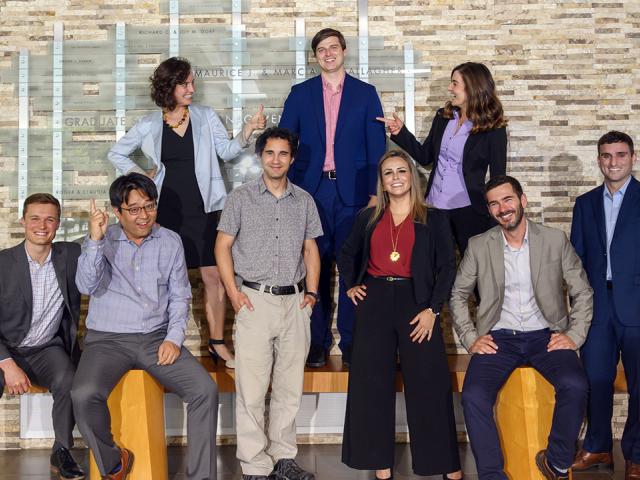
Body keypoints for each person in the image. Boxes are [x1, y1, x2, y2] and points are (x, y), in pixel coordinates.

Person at [108, 56, 266, 368]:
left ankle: (218, 344)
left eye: (192, 82)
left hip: (205, 209)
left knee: (215, 278)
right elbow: (116, 152)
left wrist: (247, 130)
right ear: (170, 87)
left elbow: (227, 152)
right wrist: (142, 176)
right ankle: (161, 341)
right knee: (163, 280)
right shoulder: (150, 125)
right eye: (186, 83)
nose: (192, 88)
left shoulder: (205, 117)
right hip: (165, 212)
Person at [72, 173, 219, 480]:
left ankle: (202, 477)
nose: (144, 216)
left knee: (204, 390)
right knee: (84, 394)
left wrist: (174, 338)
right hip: (107, 340)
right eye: (134, 209)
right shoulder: (103, 239)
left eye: (149, 207)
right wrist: (96, 241)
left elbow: (180, 296)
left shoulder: (170, 241)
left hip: (154, 339)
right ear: (117, 211)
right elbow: (86, 285)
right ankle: (113, 461)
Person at [449, 175, 593, 480]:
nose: (503, 208)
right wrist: (471, 337)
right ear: (489, 210)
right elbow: (458, 295)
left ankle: (555, 461)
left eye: (508, 199)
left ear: (522, 200)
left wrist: (573, 335)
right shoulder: (479, 246)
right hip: (499, 338)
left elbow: (583, 292)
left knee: (576, 385)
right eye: (494, 203)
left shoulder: (554, 240)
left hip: (546, 336)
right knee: (473, 396)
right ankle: (491, 475)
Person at [338, 150, 462, 480]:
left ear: (412, 177)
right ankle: (381, 463)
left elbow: (447, 267)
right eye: (388, 172)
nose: (395, 177)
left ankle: (446, 464)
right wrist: (351, 285)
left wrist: (433, 310)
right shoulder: (368, 218)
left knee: (429, 383)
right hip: (375, 300)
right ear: (382, 181)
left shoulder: (433, 219)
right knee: (371, 384)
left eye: (401, 171)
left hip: (416, 302)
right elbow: (347, 253)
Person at [215, 127, 322, 480]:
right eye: (270, 153)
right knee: (252, 387)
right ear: (261, 157)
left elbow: (310, 249)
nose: (276, 160)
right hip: (255, 301)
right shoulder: (241, 198)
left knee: (290, 387)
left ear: (292, 158)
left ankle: (283, 458)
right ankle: (255, 465)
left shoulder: (304, 200)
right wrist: (233, 292)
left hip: (294, 303)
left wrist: (312, 294)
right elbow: (222, 246)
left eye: (283, 154)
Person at [279, 28, 386, 368]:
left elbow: (376, 148)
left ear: (344, 50)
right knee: (314, 266)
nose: (328, 53)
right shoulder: (300, 94)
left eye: (333, 48)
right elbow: (285, 143)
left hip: (355, 194)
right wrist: (287, 190)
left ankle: (352, 341)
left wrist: (374, 194)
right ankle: (316, 342)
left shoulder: (366, 94)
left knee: (354, 267)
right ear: (315, 56)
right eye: (321, 49)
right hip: (311, 193)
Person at [378, 62, 507, 256]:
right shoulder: (443, 116)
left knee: (474, 269)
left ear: (472, 87)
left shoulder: (493, 128)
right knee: (437, 266)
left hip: (470, 210)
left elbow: (499, 177)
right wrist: (401, 133)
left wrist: (496, 214)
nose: (449, 88)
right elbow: (426, 156)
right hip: (435, 206)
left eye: (455, 83)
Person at [570, 131, 640, 478]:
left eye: (621, 155)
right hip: (597, 305)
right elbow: (577, 258)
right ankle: (598, 447)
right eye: (607, 155)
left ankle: (636, 455)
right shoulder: (584, 204)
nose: (614, 162)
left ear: (633, 158)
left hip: (637, 307)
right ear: (598, 160)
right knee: (595, 378)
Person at [0, 193, 84, 480]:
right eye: (35, 218)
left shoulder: (70, 255)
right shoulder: (3, 263)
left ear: (58, 224)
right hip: (6, 349)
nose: (42, 225)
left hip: (47, 348)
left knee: (69, 380)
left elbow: (103, 249)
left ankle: (61, 451)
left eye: (50, 219)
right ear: (23, 221)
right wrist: (7, 364)